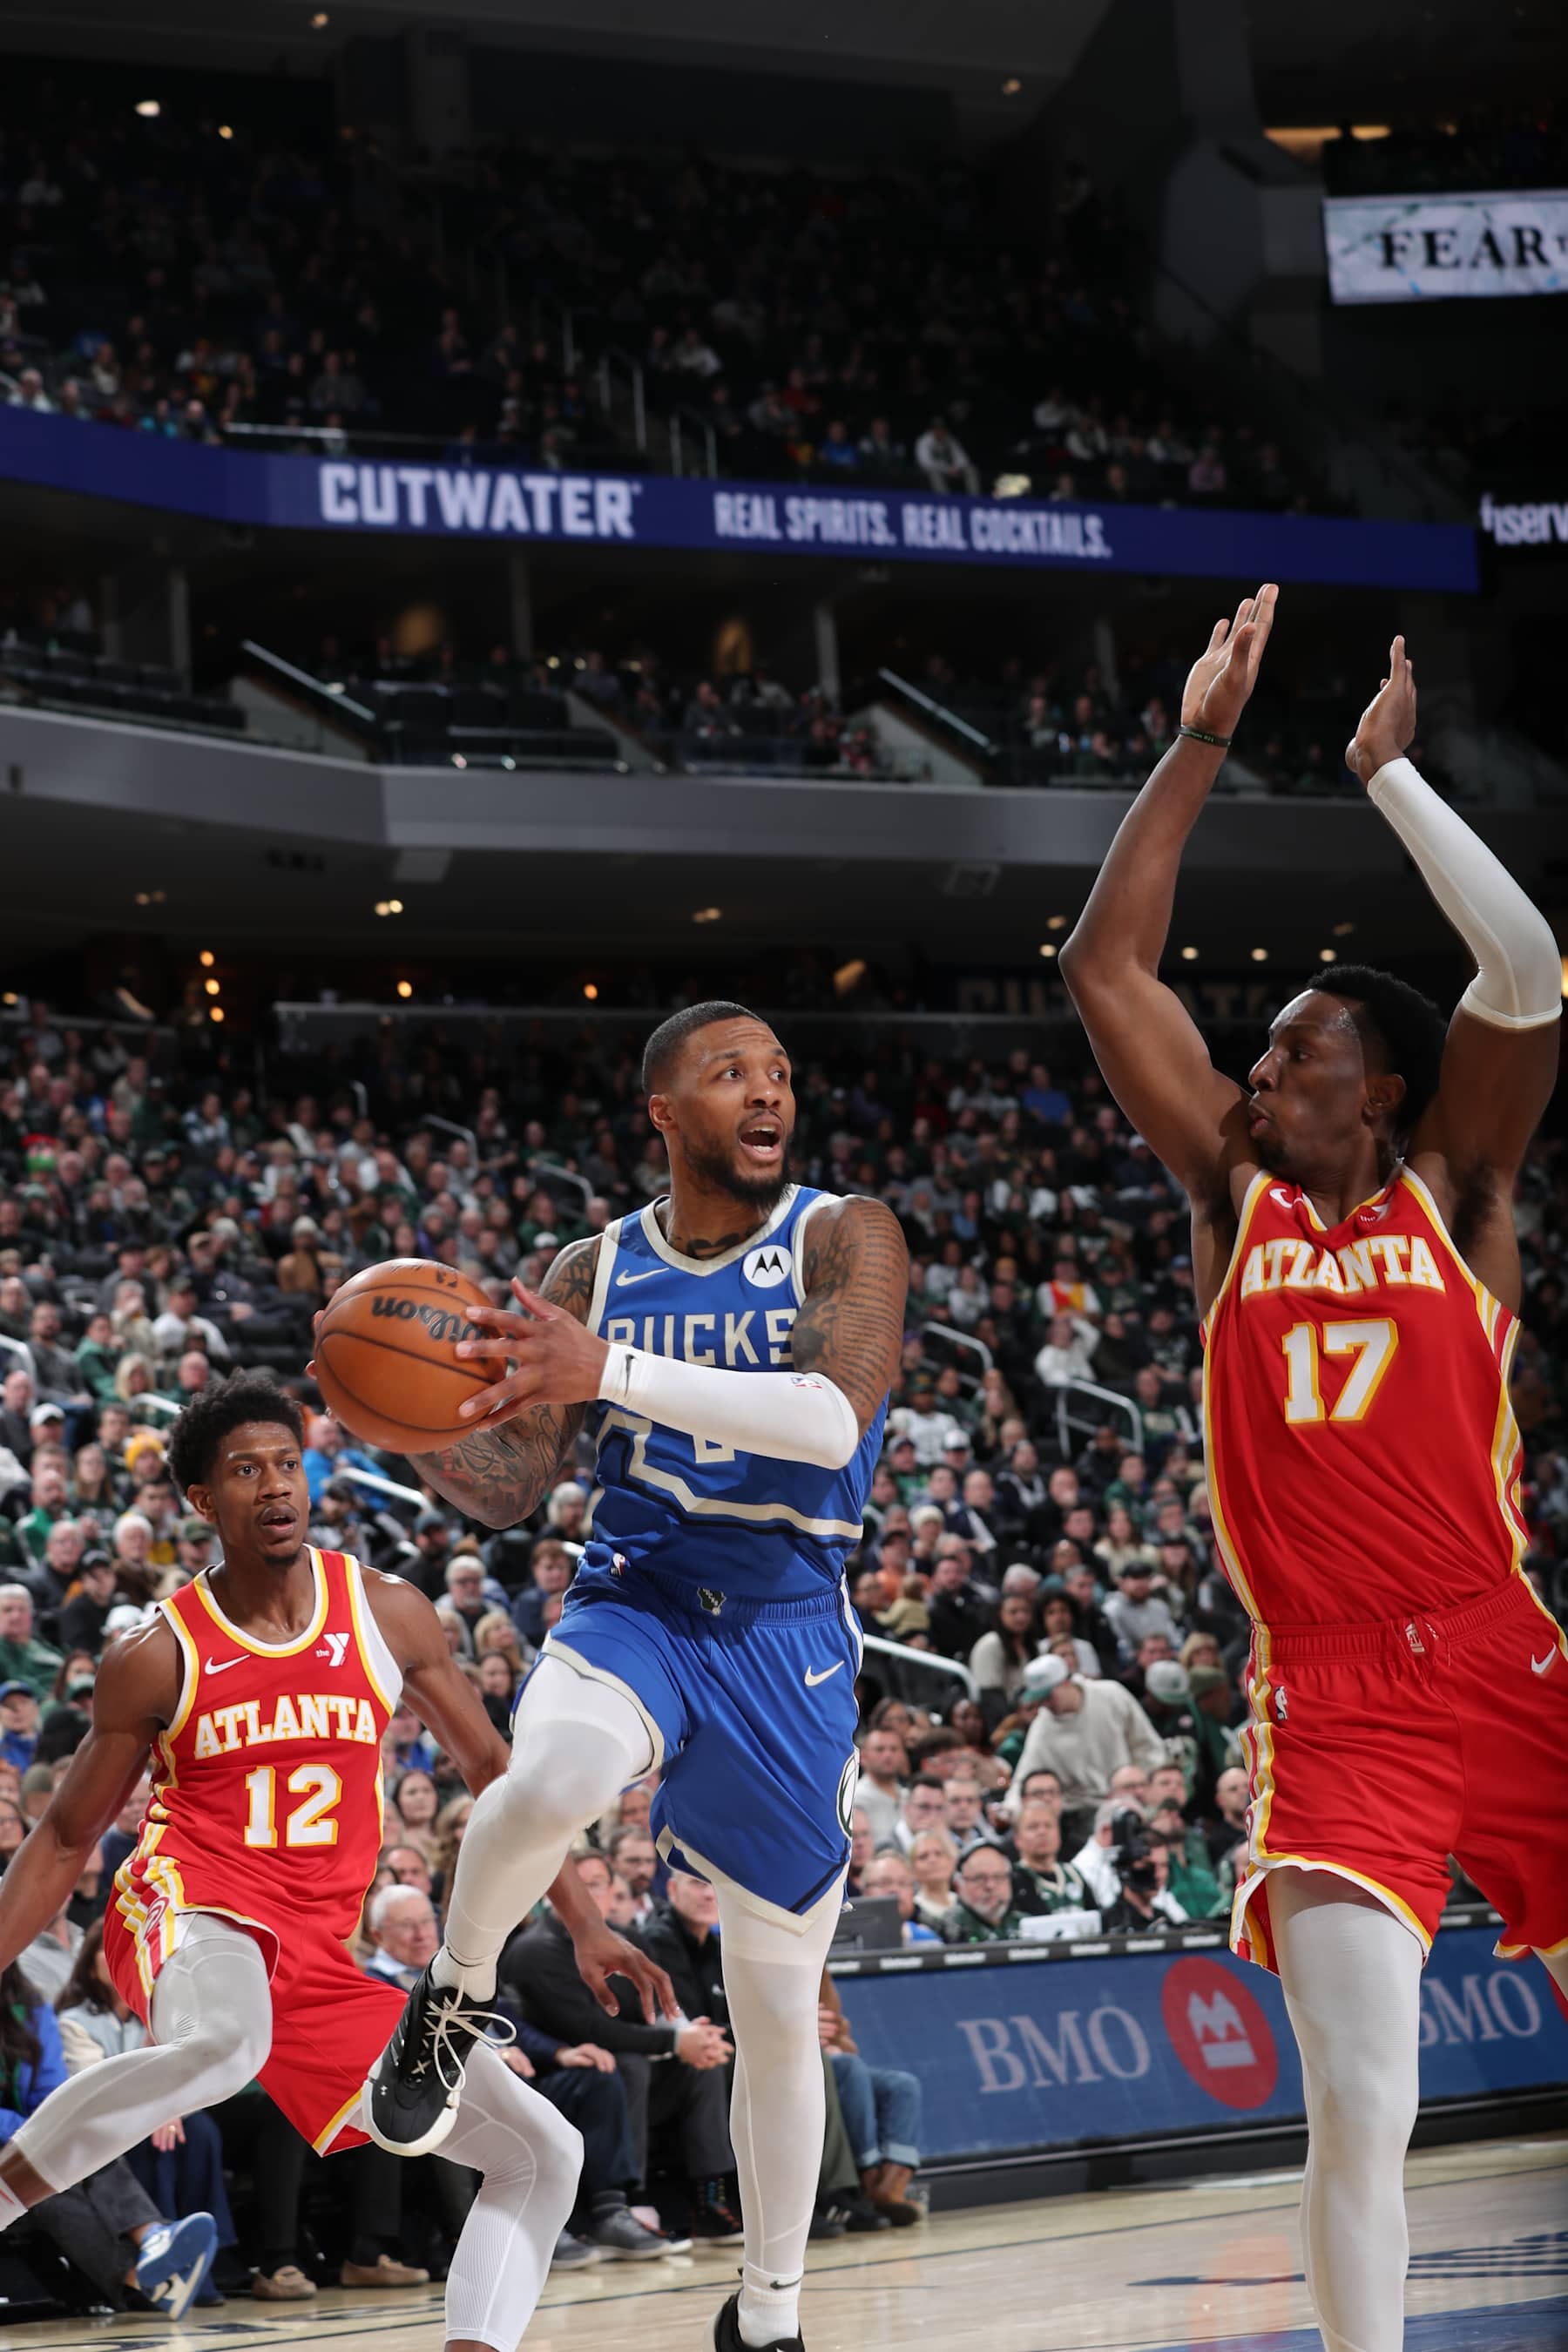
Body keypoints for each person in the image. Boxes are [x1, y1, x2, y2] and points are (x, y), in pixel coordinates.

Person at [1059, 600, 1568, 2352]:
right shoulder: (1230, 1195)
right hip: (1337, 1701)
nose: (1257, 1072)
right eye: (1258, 1058)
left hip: (1508, 1660)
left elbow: (1528, 972)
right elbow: (1105, 973)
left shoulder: (1463, 1191)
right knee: (1367, 2100)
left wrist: (1393, 779)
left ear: (1390, 1082)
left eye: (1293, 1050)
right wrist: (1198, 740)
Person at [360, 1002, 907, 2352]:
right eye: (732, 1075)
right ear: (666, 1111)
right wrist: (422, 1404)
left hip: (790, 1632)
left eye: (779, 1073)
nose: (767, 1092)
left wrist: (607, 1369)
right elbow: (505, 1491)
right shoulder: (594, 1266)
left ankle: (768, 2315)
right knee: (551, 1776)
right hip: (640, 1601)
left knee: (779, 2012)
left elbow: (830, 1416)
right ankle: (455, 1998)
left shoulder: (849, 1234)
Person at [0, 1372, 674, 2344]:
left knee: (546, 2152)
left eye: (287, 1463)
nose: (275, 1486)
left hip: (315, 1953)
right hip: (187, 1900)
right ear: (201, 1501)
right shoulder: (157, 1651)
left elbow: (496, 1774)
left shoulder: (388, 1613)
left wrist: (583, 1920)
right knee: (227, 2040)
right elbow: (65, 1838)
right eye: (244, 1471)